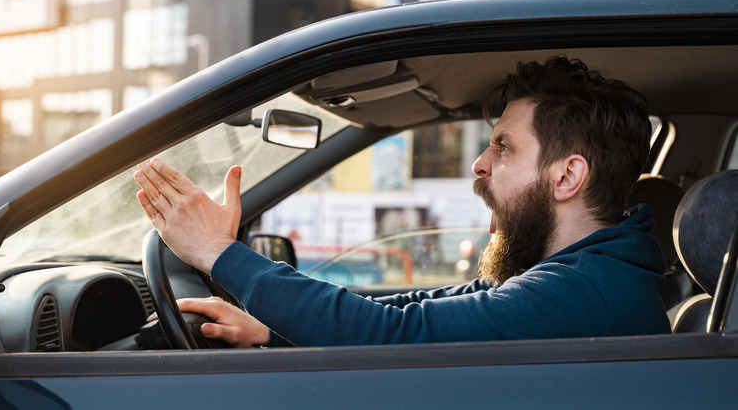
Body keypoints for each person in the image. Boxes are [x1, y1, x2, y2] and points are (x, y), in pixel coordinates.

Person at [133, 56, 671, 348]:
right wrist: (268, 330)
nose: (479, 163)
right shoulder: (578, 273)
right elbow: (415, 308)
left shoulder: (587, 291)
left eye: (504, 146)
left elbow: (398, 335)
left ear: (567, 176)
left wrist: (219, 252)